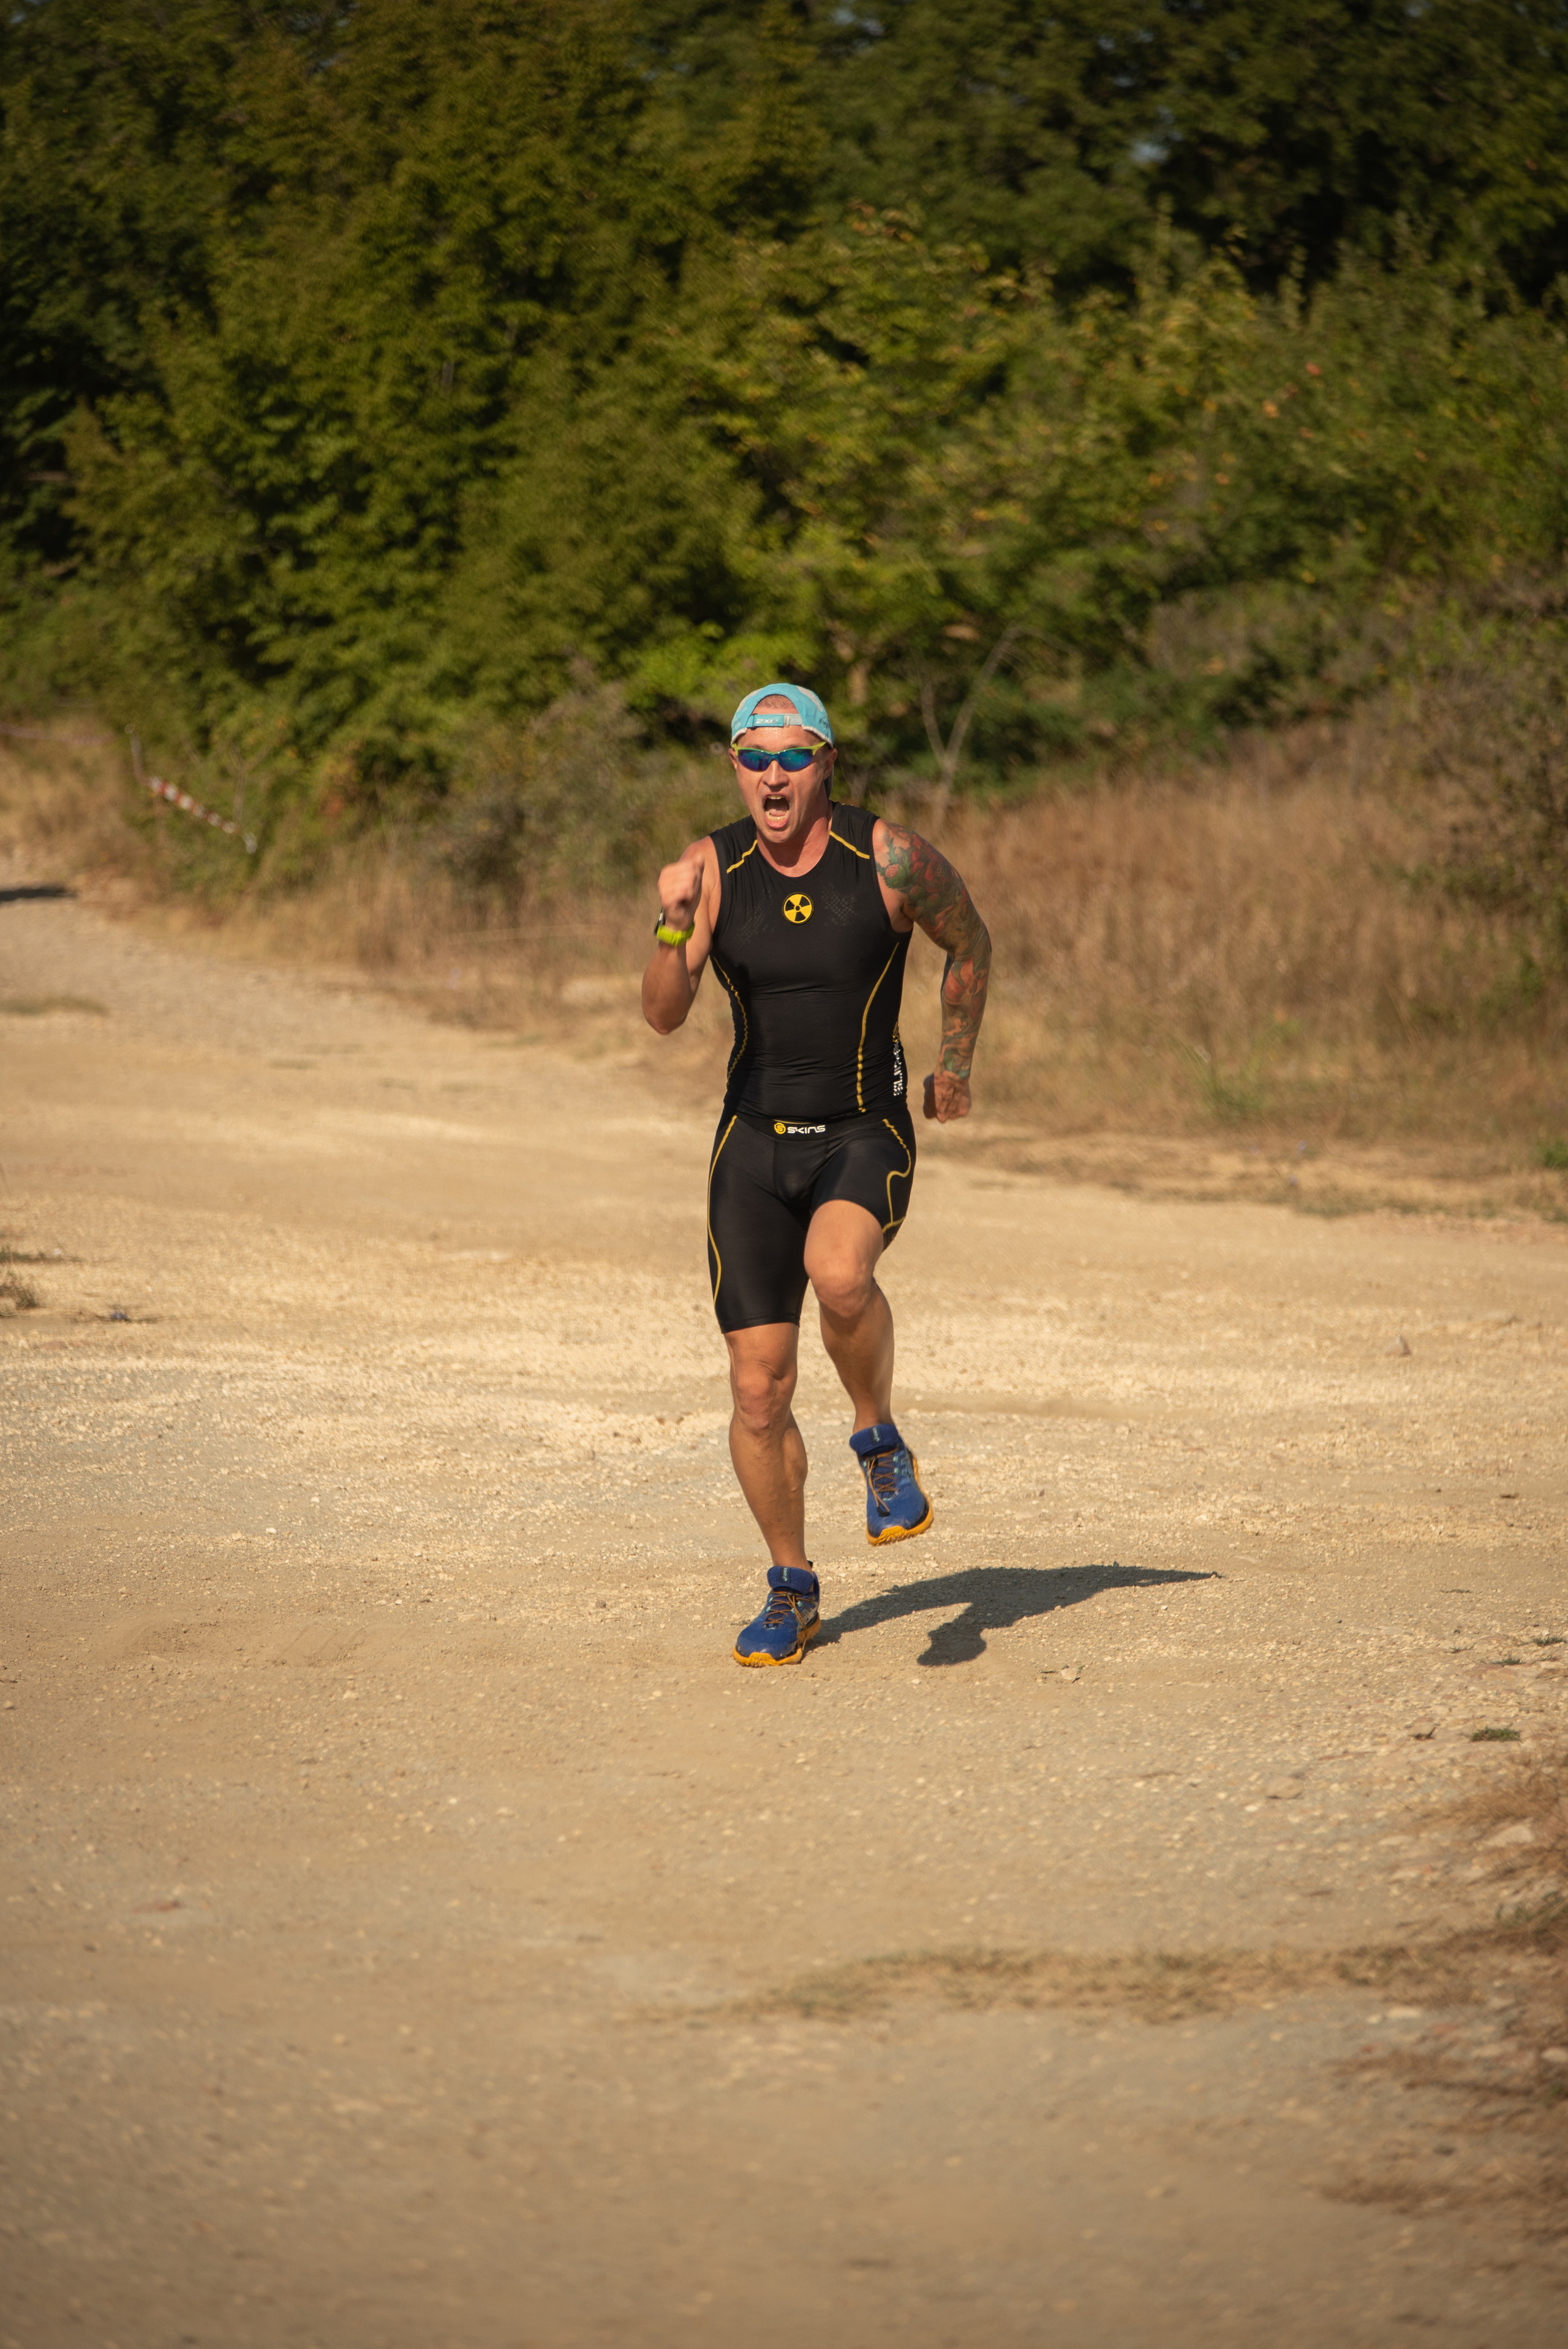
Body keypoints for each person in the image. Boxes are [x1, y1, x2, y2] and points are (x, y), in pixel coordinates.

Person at [642, 682, 992, 1666]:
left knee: (842, 1276)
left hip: (862, 1127)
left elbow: (970, 939)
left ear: (829, 762)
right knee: (758, 1388)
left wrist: (954, 1062)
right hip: (751, 1146)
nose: (774, 776)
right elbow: (664, 1013)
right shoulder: (711, 869)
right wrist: (672, 924)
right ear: (736, 771)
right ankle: (792, 1587)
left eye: (793, 756)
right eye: (755, 759)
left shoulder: (886, 858)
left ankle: (878, 1440)